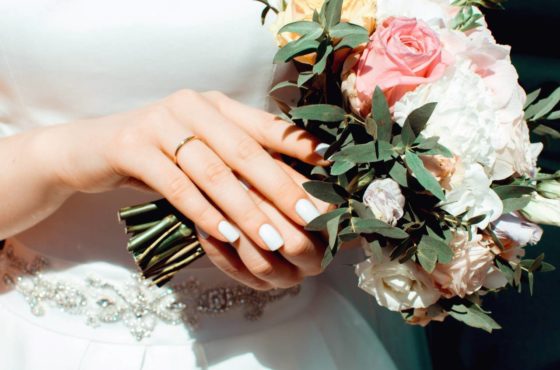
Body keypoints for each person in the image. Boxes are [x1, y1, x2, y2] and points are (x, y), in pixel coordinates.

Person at [0, 1, 430, 369]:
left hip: (284, 342)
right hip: (31, 335)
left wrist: (348, 220)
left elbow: (414, 136)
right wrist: (61, 157)